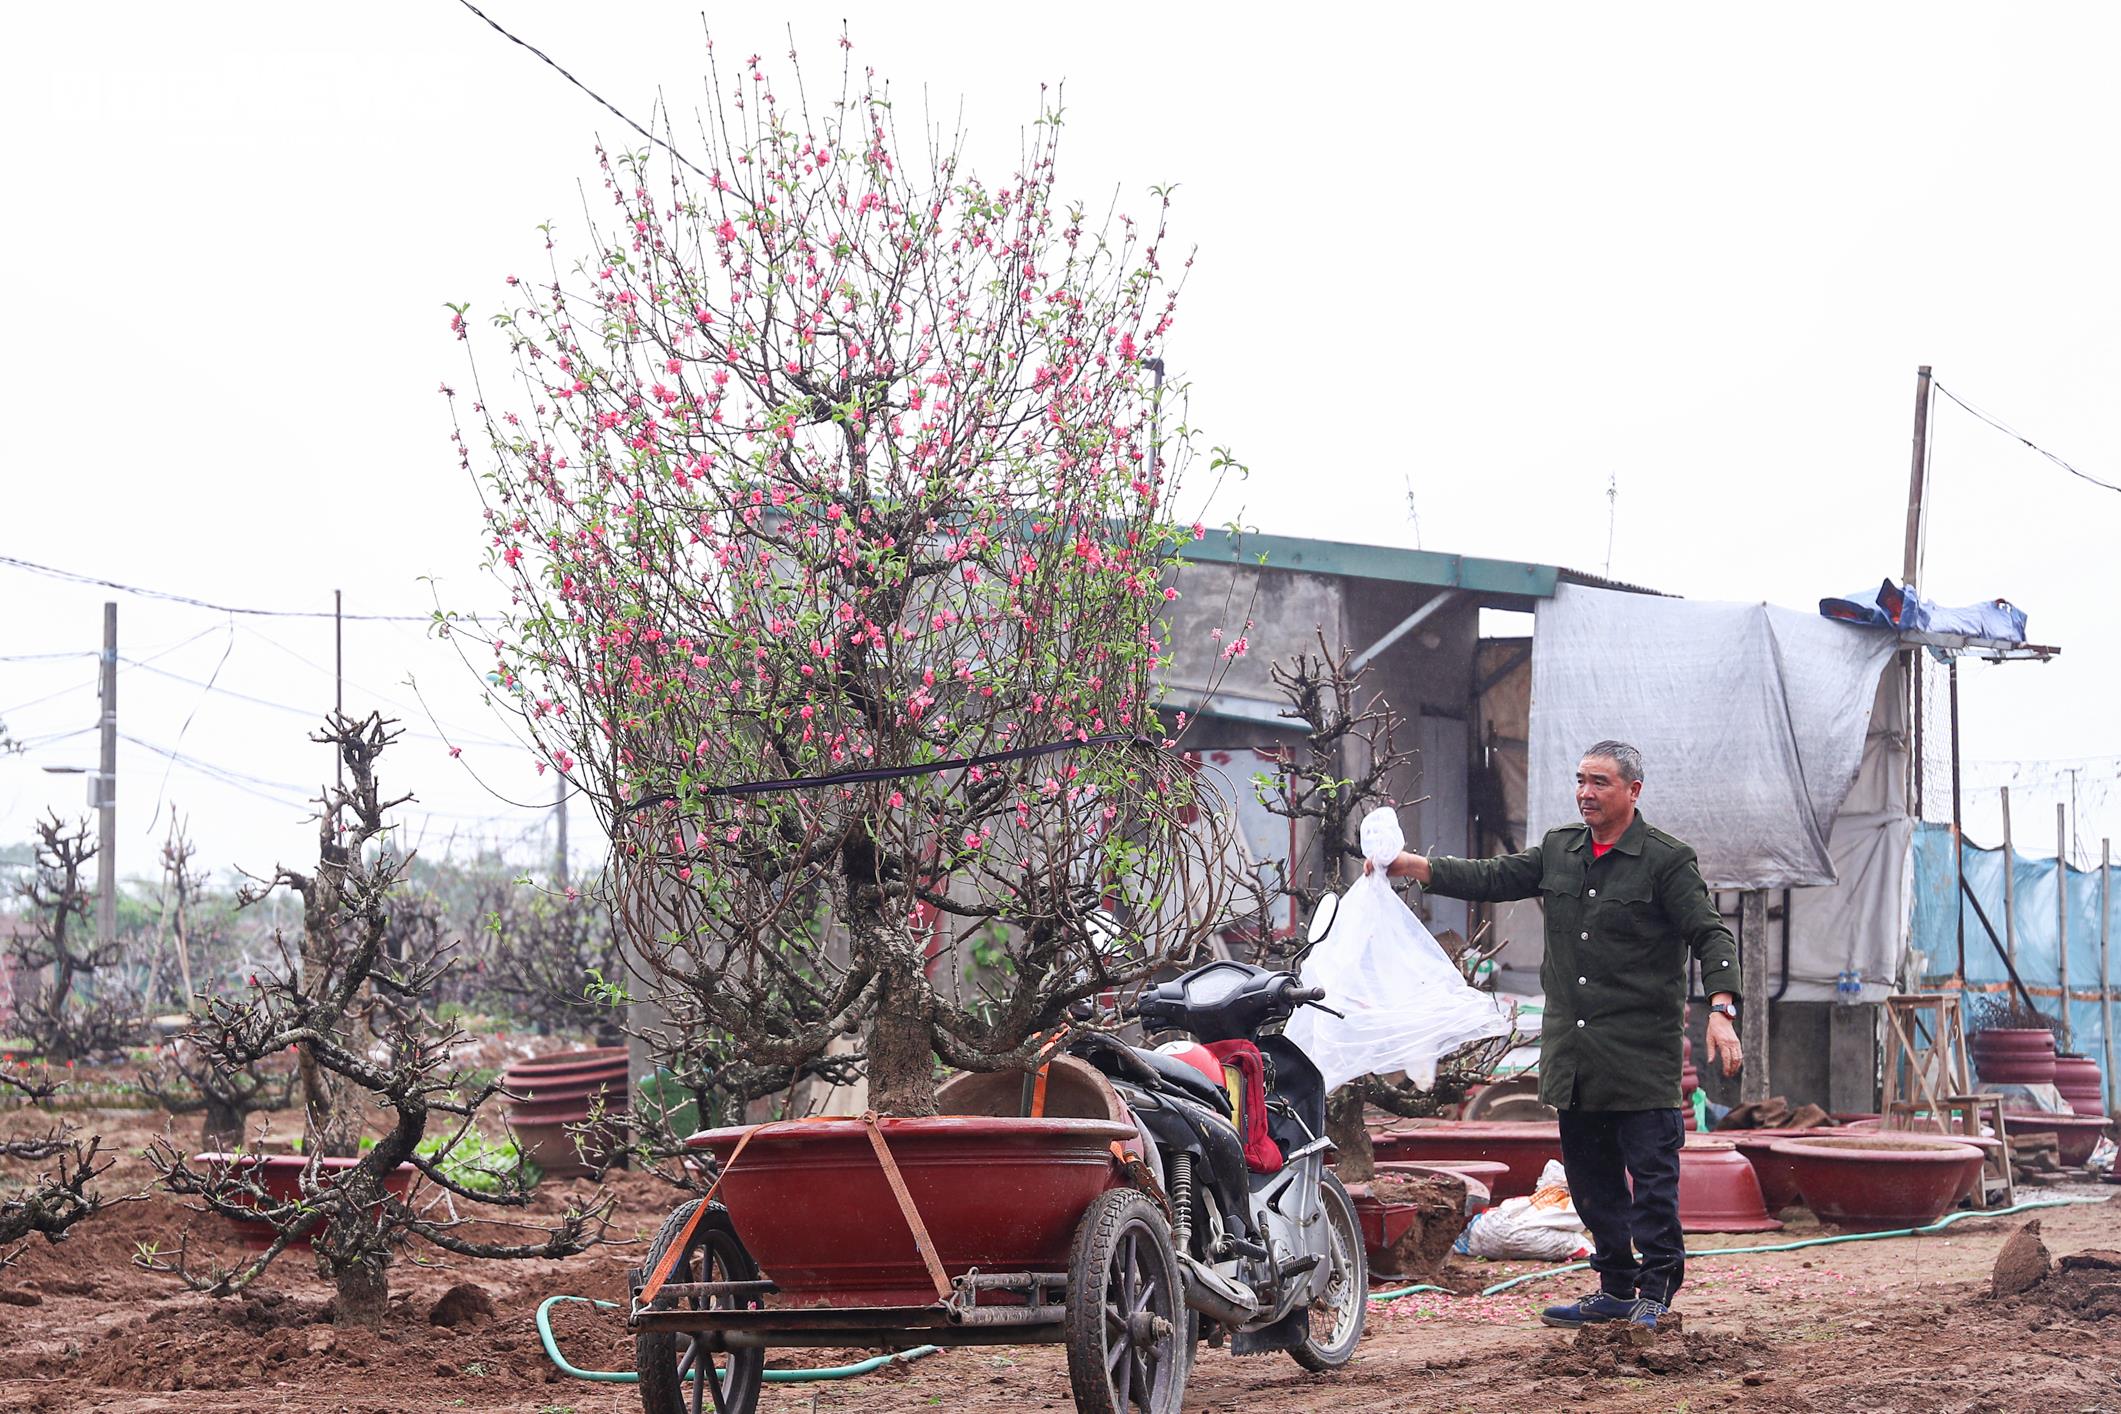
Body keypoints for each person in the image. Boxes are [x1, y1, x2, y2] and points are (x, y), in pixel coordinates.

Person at [1369, 740, 1742, 1332]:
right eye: (1580, 780)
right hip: (1577, 1056)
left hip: (1641, 1058)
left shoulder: (1666, 860)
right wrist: (1412, 866)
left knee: (1652, 1185)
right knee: (1592, 1189)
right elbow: (1493, 876)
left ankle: (1656, 1294)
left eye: (1600, 782)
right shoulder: (1560, 850)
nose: (1585, 792)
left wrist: (1722, 1008)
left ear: (1632, 792)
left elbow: (1711, 933)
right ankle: (1616, 1289)